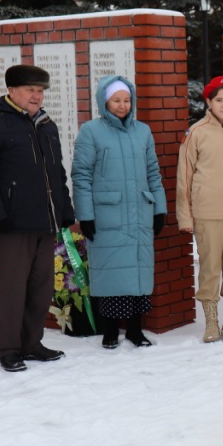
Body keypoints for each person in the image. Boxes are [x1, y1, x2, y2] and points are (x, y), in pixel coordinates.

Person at [0, 64, 75, 372]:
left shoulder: (46, 124)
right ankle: (8, 349)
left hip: (45, 222)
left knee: (41, 289)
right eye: (30, 90)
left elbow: (56, 172)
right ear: (11, 90)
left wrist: (64, 208)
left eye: (40, 91)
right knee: (11, 290)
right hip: (12, 225)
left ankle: (31, 343)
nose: (36, 96)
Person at [72, 76, 167, 349]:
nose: (122, 105)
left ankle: (136, 330)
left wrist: (159, 209)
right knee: (111, 272)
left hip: (139, 212)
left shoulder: (142, 131)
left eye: (126, 100)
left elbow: (153, 172)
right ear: (105, 101)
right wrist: (85, 215)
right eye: (116, 100)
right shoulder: (91, 131)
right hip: (108, 215)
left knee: (138, 271)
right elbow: (81, 175)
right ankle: (111, 331)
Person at [177, 76, 223, 342]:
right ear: (208, 102)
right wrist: (185, 216)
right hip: (206, 212)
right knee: (209, 268)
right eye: (219, 100)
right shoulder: (196, 132)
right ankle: (211, 322)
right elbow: (184, 175)